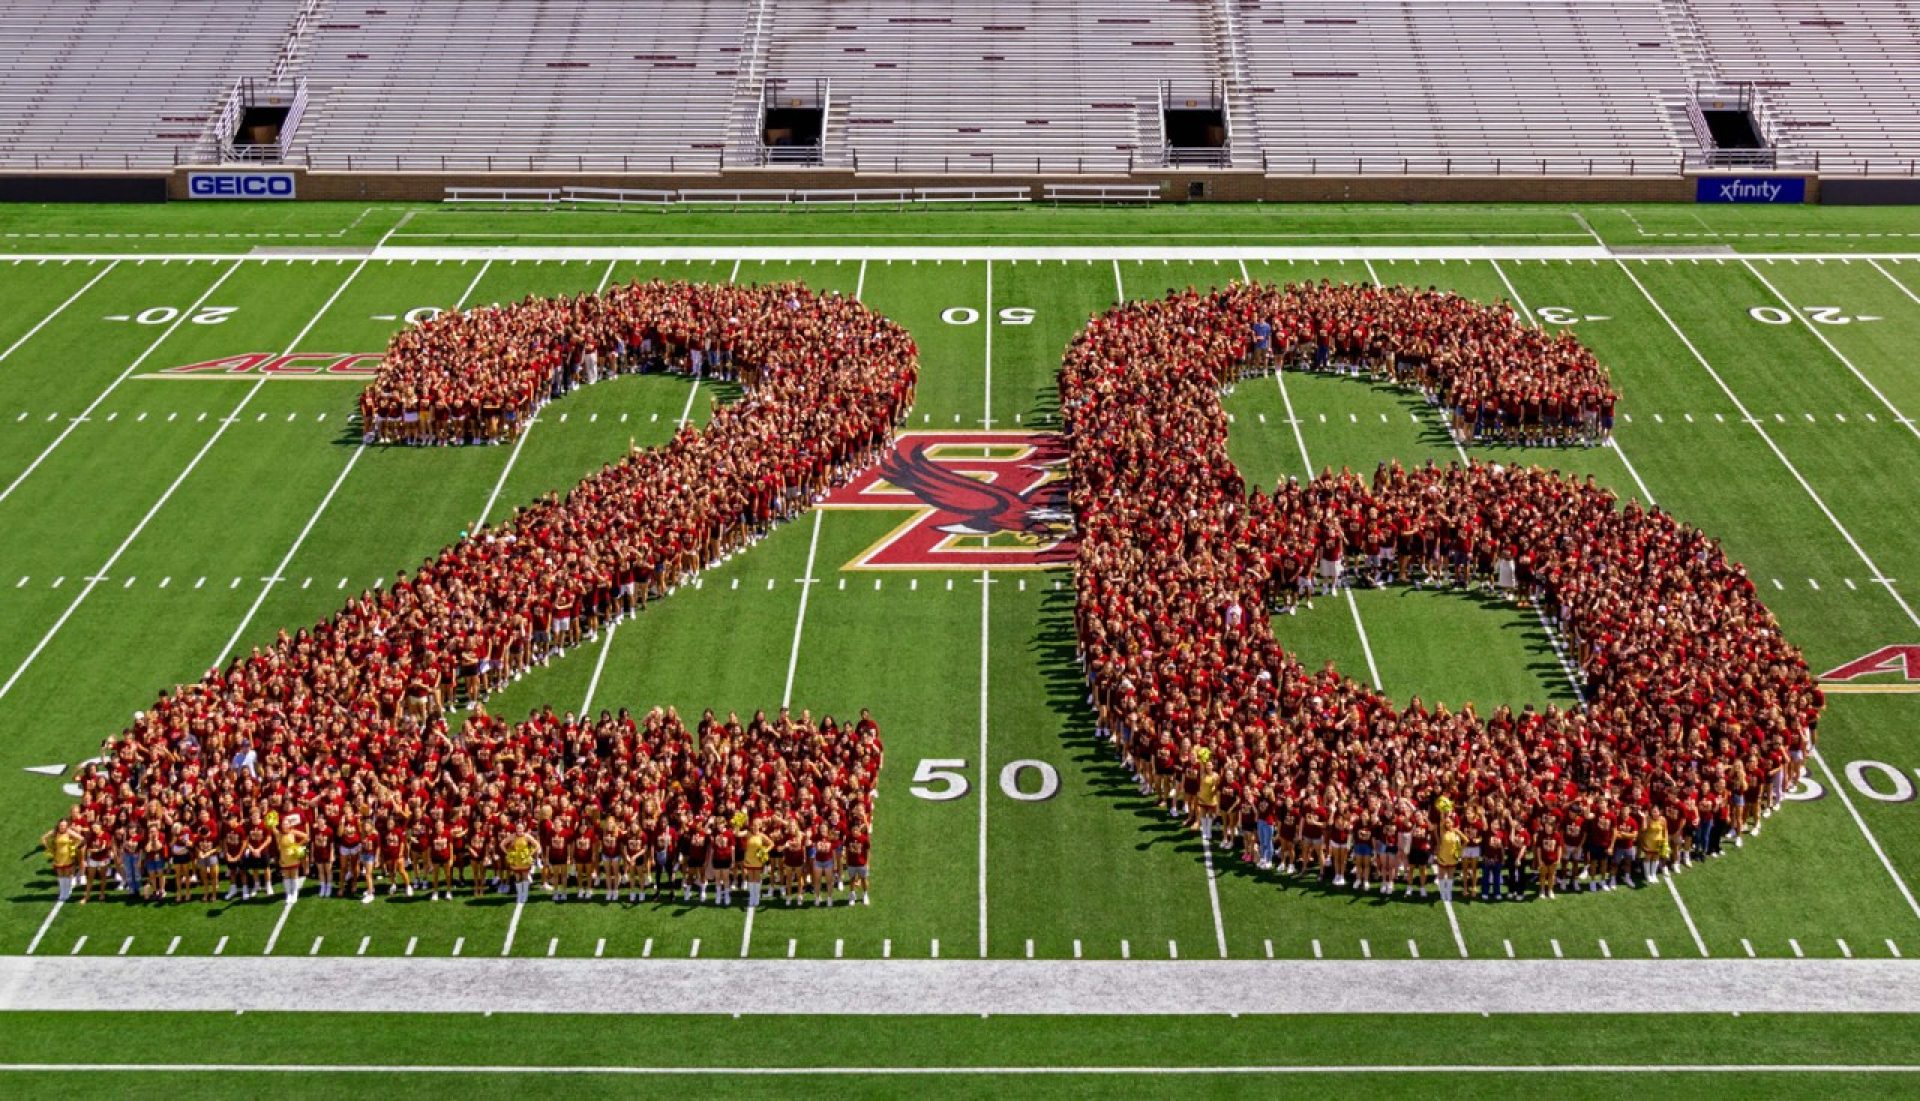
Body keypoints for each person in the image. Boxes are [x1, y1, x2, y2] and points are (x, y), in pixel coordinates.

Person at [41, 818, 82, 904]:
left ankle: (67, 891)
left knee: (67, 874)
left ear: (67, 826)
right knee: (60, 875)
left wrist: (74, 847)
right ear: (58, 825)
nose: (62, 827)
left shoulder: (69, 832)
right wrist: (48, 848)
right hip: (58, 857)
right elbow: (44, 837)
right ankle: (62, 892)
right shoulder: (55, 832)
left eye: (64, 825)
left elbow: (80, 838)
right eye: (61, 825)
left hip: (67, 857)